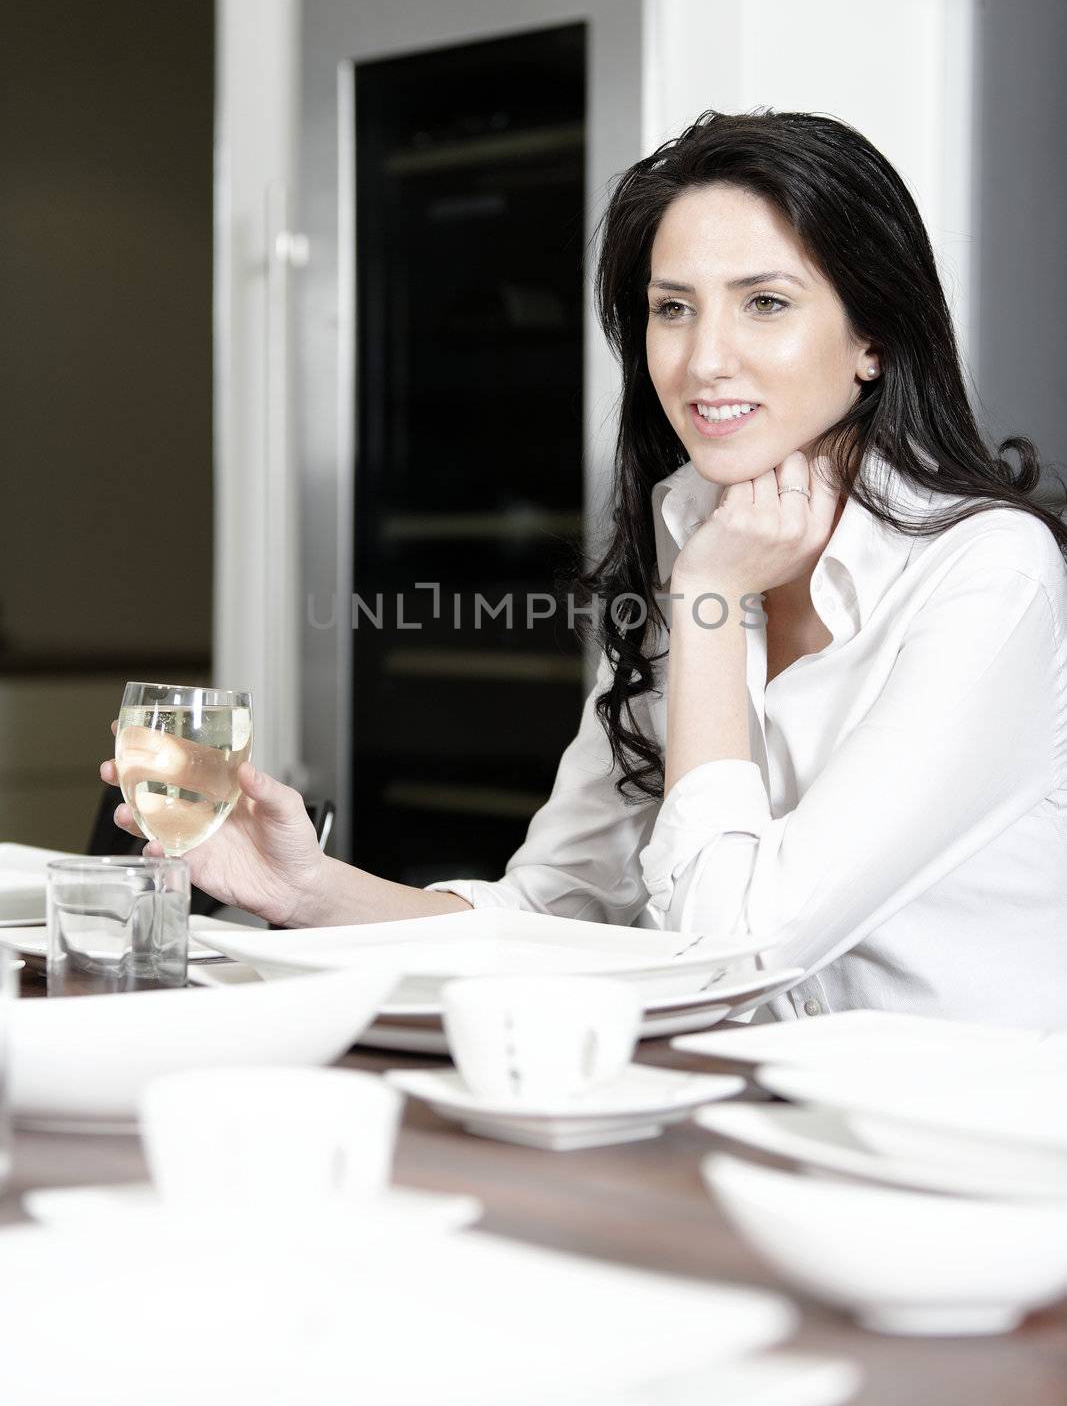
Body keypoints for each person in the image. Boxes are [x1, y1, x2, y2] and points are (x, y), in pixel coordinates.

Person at [100, 109, 1067, 1030]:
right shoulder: (690, 536)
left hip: (972, 1151)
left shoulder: (986, 576)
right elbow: (554, 915)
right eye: (671, 309)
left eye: (764, 303)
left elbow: (731, 949)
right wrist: (306, 890)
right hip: (742, 1114)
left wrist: (711, 605)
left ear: (874, 339)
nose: (703, 359)